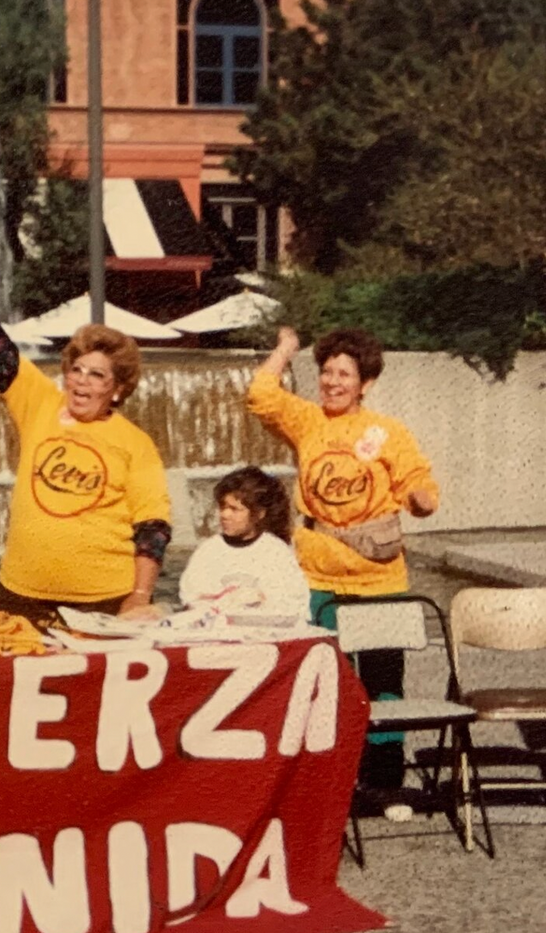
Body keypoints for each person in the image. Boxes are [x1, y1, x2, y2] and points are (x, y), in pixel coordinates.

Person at [248, 325, 438, 797]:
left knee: (384, 685)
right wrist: (286, 349)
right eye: (327, 372)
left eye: (344, 374)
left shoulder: (387, 432)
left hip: (378, 579)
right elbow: (260, 395)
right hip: (317, 578)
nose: (332, 382)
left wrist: (421, 498)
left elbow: (418, 480)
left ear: (365, 384)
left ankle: (385, 780)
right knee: (318, 682)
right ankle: (327, 782)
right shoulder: (307, 421)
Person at [0, 253, 171, 629]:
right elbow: (0, 357)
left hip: (102, 602)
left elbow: (153, 527)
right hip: (21, 595)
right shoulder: (41, 405)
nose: (81, 381)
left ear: (117, 390)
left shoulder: (135, 443)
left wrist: (139, 597)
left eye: (97, 375)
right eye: (76, 370)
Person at [179, 465, 309, 620]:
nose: (224, 515)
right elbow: (191, 597)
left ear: (259, 514)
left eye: (234, 509)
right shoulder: (209, 550)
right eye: (223, 507)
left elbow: (292, 603)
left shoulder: (275, 552)